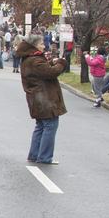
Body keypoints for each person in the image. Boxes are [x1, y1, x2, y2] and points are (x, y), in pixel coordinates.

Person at [17, 33, 67, 165]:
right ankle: (44, 157)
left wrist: (51, 62)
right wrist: (61, 63)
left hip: (37, 99)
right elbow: (51, 73)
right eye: (41, 44)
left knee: (40, 126)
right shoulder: (35, 60)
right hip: (45, 99)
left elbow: (41, 71)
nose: (44, 46)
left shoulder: (29, 59)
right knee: (50, 126)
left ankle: (34, 155)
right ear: (34, 46)